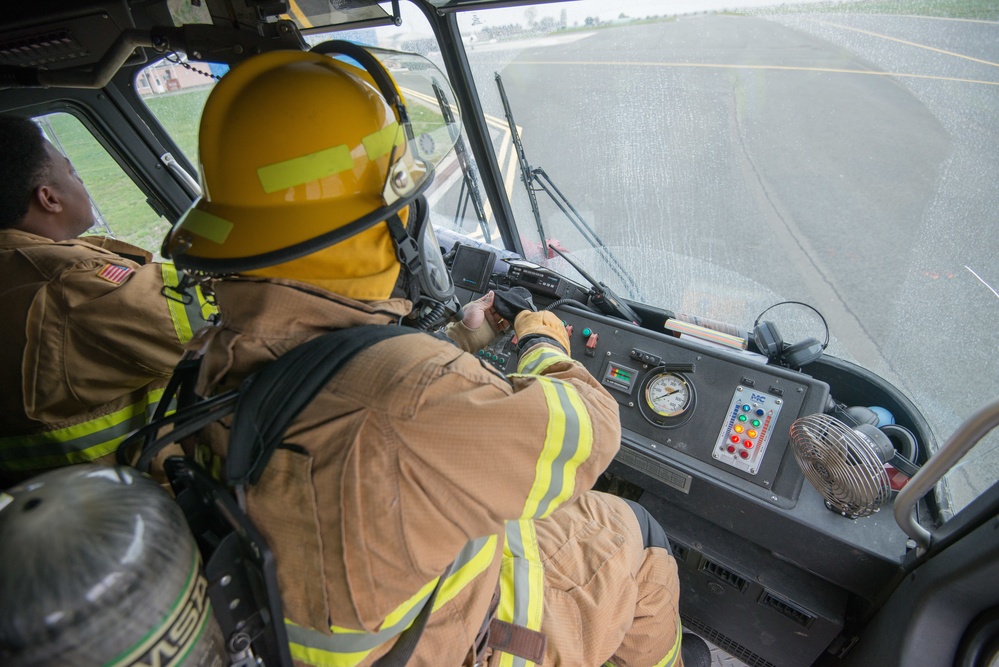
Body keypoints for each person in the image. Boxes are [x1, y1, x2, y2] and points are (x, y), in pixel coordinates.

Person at [161, 45, 683, 667]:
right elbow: (586, 436)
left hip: (323, 611)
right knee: (638, 536)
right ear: (388, 224)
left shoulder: (209, 358)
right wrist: (543, 341)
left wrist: (460, 343)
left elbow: (337, 393)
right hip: (456, 640)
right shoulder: (412, 398)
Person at [0, 114, 215, 486]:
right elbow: (223, 316)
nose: (81, 182)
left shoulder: (18, 270)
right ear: (49, 198)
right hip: (156, 500)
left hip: (65, 504)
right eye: (72, 172)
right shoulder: (68, 284)